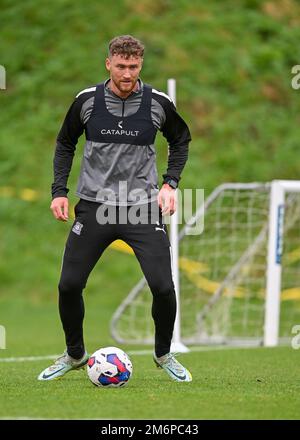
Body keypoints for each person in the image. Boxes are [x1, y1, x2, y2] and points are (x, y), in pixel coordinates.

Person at [38, 35, 192, 382]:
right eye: (120, 66)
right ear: (108, 63)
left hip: (140, 208)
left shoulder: (158, 103)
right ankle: (75, 354)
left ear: (141, 66)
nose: (127, 73)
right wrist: (59, 191)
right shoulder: (87, 101)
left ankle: (164, 354)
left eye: (133, 67)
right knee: (68, 285)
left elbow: (180, 140)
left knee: (163, 288)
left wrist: (170, 183)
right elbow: (65, 143)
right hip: (94, 207)